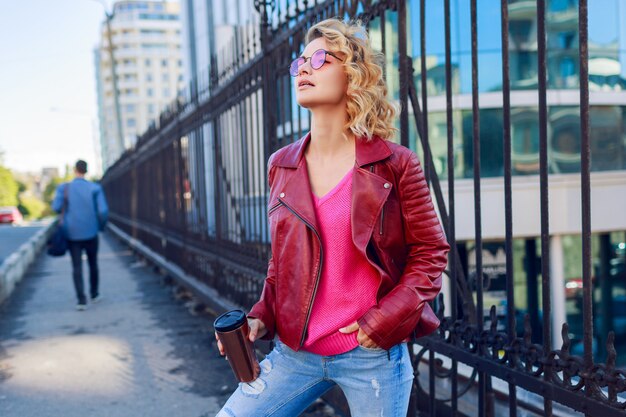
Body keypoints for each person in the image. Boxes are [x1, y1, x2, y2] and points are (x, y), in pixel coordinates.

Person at [216, 18, 449, 416]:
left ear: (354, 74)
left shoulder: (395, 163)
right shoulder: (282, 165)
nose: (304, 68)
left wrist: (381, 321)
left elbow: (430, 254)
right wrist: (260, 317)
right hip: (295, 352)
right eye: (300, 62)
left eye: (321, 58)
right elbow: (283, 262)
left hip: (371, 356)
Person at [52, 160, 109, 311]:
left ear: (74, 170)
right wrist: (100, 227)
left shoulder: (64, 188)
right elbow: (103, 211)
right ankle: (95, 294)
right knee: (93, 264)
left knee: (76, 266)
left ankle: (81, 300)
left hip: (72, 233)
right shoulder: (95, 188)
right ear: (86, 170)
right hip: (91, 232)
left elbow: (56, 207)